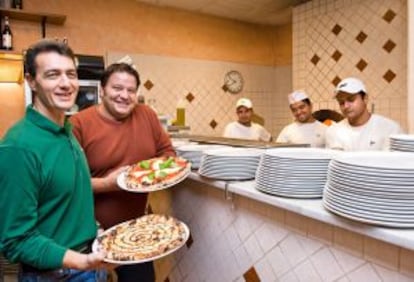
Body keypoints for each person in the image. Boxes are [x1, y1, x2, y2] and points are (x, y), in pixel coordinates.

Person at [0, 39, 108, 281]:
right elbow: (16, 240)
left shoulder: (66, 130)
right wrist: (81, 261)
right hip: (56, 275)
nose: (66, 83)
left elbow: (64, 198)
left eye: (71, 74)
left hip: (89, 263)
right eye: (52, 75)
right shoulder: (18, 147)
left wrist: (93, 230)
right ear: (31, 81)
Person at [70, 63, 175, 282]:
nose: (124, 96)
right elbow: (68, 184)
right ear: (102, 90)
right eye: (117, 88)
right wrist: (109, 184)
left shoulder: (146, 114)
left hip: (135, 231)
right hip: (88, 235)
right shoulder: (78, 124)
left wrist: (150, 174)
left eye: (131, 90)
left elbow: (168, 155)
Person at [325, 77, 403, 151]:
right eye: (341, 102)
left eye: (351, 99)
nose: (346, 106)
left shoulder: (390, 129)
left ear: (365, 99)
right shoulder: (333, 131)